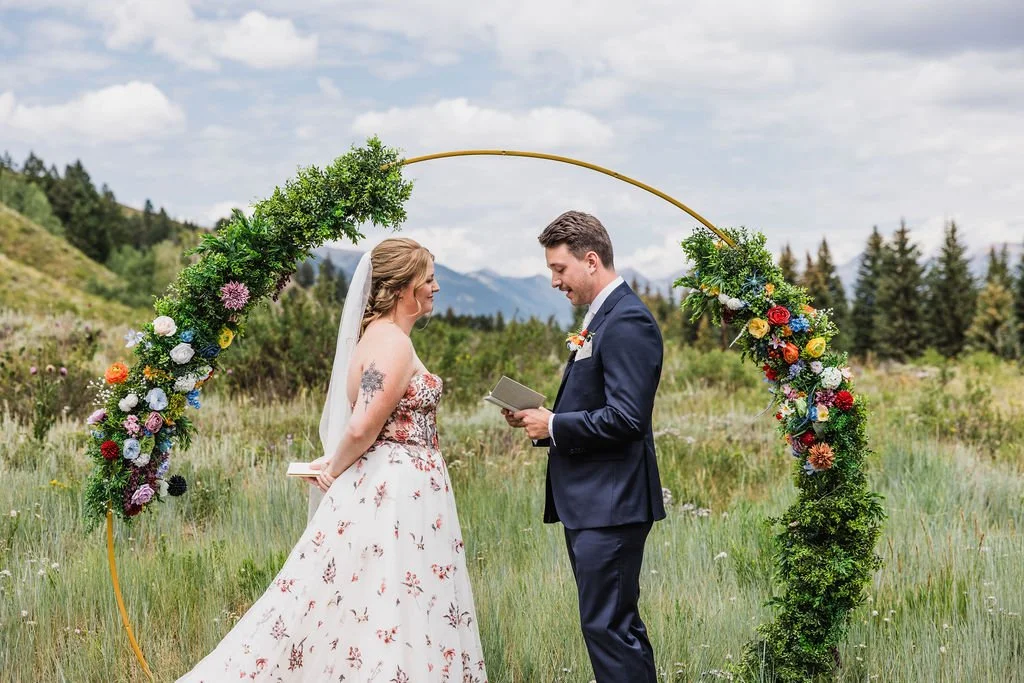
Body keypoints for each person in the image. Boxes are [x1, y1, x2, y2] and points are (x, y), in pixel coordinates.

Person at [178, 238, 488, 682]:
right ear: (404, 287)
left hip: (406, 489)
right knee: (391, 599)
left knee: (381, 599)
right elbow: (363, 426)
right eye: (430, 278)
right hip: (395, 491)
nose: (436, 287)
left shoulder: (386, 338)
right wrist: (332, 468)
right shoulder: (391, 344)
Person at [502, 211, 665, 682]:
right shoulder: (604, 319)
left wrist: (554, 425)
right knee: (607, 626)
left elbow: (628, 418)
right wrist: (539, 420)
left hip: (611, 505)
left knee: (610, 628)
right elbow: (597, 404)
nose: (555, 281)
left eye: (559, 269)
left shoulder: (628, 320)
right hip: (594, 503)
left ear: (591, 260)